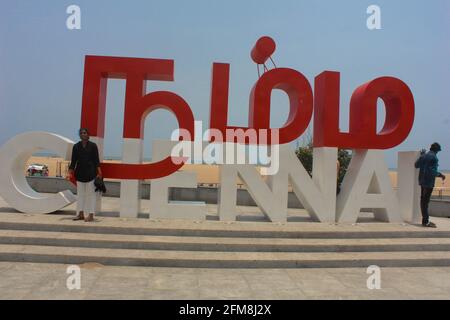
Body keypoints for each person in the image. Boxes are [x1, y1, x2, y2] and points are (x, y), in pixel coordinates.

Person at [66, 128, 102, 222]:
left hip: (91, 174)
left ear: (88, 134)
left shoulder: (93, 146)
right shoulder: (76, 147)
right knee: (80, 195)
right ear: (80, 135)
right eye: (81, 133)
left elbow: (96, 161)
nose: (83, 134)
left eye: (85, 132)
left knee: (91, 195)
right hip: (79, 174)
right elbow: (73, 162)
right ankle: (80, 214)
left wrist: (99, 173)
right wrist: (69, 173)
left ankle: (91, 215)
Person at [415, 143, 446, 228]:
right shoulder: (434, 158)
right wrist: (441, 175)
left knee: (423, 201)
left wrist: (421, 156)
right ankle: (425, 221)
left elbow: (416, 165)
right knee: (425, 202)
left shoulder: (424, 156)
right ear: (436, 150)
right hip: (429, 183)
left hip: (422, 181)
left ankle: (425, 220)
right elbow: (432, 171)